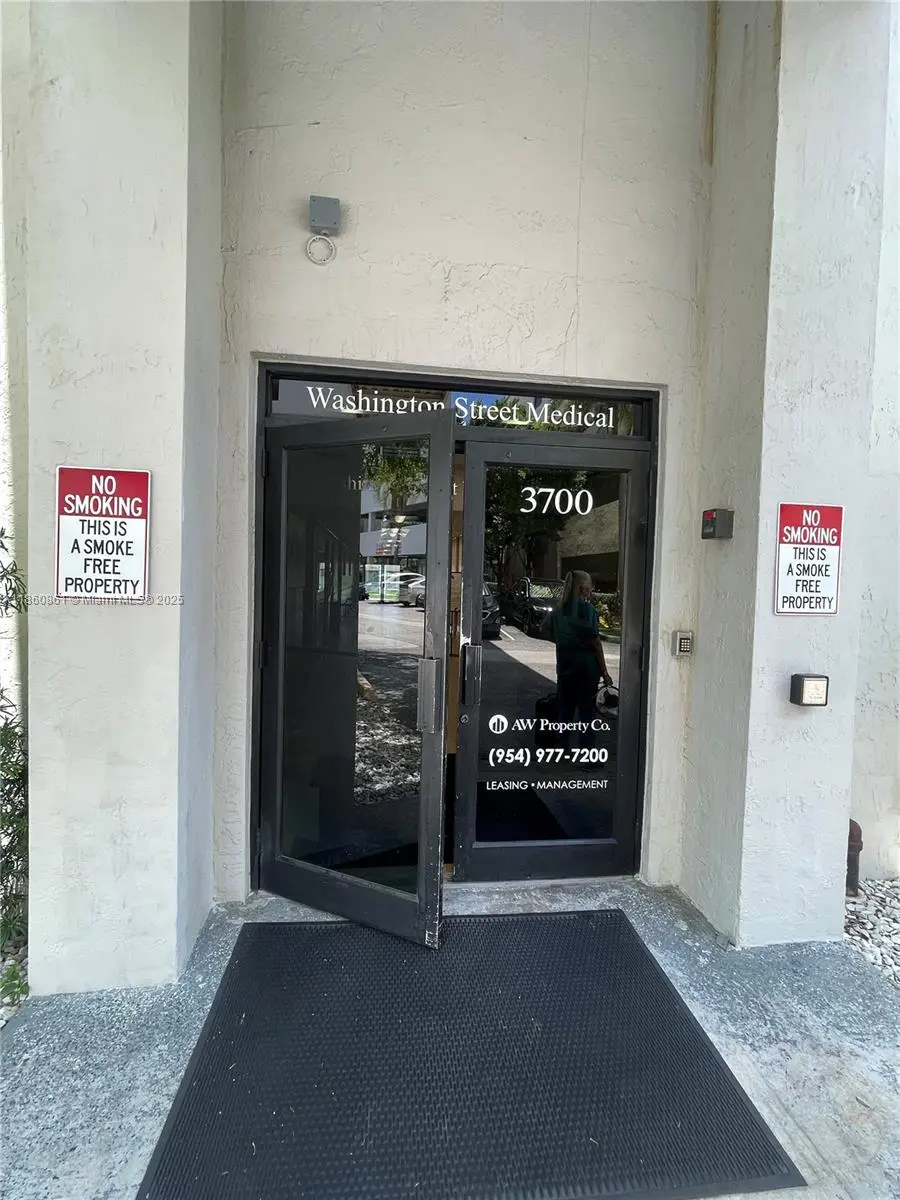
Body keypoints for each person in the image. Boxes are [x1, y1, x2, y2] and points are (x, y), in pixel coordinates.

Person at [541, 571, 613, 748]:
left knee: (565, 713)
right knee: (586, 715)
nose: (592, 589)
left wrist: (563, 641)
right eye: (590, 586)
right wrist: (605, 672)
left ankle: (562, 748)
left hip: (565, 668)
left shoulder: (559, 610)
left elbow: (544, 629)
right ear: (582, 588)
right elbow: (596, 643)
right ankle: (587, 754)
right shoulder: (587, 610)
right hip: (586, 671)